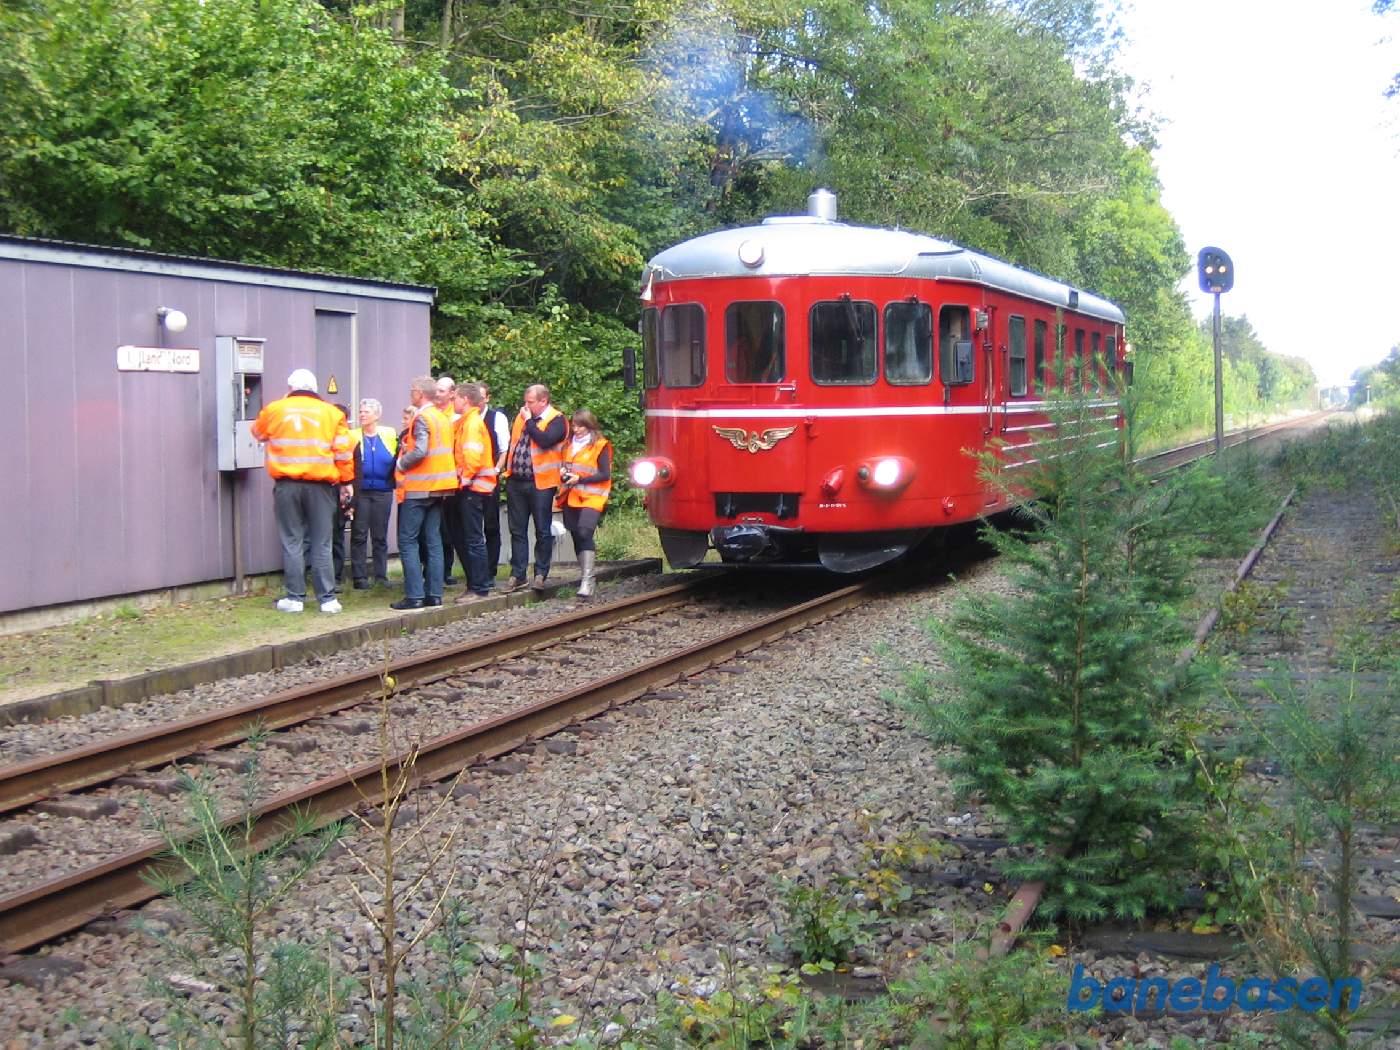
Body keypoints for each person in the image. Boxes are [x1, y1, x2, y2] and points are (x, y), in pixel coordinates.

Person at [250, 368, 353, 614]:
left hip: (287, 485)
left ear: (289, 388)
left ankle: (295, 598)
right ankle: (327, 599)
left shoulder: (275, 409)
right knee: (322, 542)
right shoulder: (331, 413)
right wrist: (346, 482)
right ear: (315, 388)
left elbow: (257, 432)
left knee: (292, 540)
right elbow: (343, 452)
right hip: (321, 487)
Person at [391, 376, 457, 610]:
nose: (411, 393)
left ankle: (415, 596)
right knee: (434, 541)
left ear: (420, 393)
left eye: (412, 390)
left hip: (420, 488)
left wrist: (400, 464)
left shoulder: (421, 417)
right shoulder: (442, 417)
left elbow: (420, 451)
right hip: (440, 487)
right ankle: (434, 594)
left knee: (408, 541)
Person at [503, 383, 567, 591]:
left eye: (530, 402)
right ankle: (518, 574)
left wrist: (530, 421)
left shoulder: (556, 420)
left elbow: (544, 440)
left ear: (543, 401)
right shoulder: (521, 418)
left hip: (542, 483)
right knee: (517, 530)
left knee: (542, 529)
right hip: (517, 481)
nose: (526, 405)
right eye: (526, 402)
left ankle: (540, 573)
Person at [556, 409, 612, 598]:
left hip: (592, 497)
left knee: (584, 531)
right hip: (570, 496)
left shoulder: (600, 445)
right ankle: (585, 577)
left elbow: (605, 474)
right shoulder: (567, 445)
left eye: (580, 425)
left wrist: (579, 479)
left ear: (589, 426)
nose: (576, 429)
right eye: (574, 425)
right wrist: (565, 474)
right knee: (576, 535)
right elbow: (565, 466)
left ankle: (588, 579)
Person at [451, 382, 498, 603]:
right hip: (474, 486)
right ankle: (477, 585)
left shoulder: (470, 424)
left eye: (456, 398)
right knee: (472, 538)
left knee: (473, 538)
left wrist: (464, 480)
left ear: (465, 400)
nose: (453, 402)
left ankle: (478, 588)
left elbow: (472, 456)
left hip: (472, 487)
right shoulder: (466, 422)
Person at [349, 398, 397, 589]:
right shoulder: (353, 435)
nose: (362, 415)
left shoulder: (388, 433)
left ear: (377, 415)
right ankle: (359, 577)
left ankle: (381, 576)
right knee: (359, 533)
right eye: (360, 412)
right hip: (361, 491)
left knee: (380, 534)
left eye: (366, 412)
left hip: (383, 491)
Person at [434, 376, 466, 585]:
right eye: (436, 390)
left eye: (442, 391)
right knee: (436, 529)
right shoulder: (432, 414)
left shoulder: (455, 418)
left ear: (452, 394)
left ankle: (446, 570)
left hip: (452, 481)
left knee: (450, 530)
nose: (437, 394)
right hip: (434, 478)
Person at [478, 381, 510, 580]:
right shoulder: (465, 418)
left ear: (487, 398)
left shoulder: (496, 418)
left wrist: (496, 469)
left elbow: (504, 448)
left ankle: (490, 570)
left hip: (489, 478)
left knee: (490, 524)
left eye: (481, 397)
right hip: (469, 480)